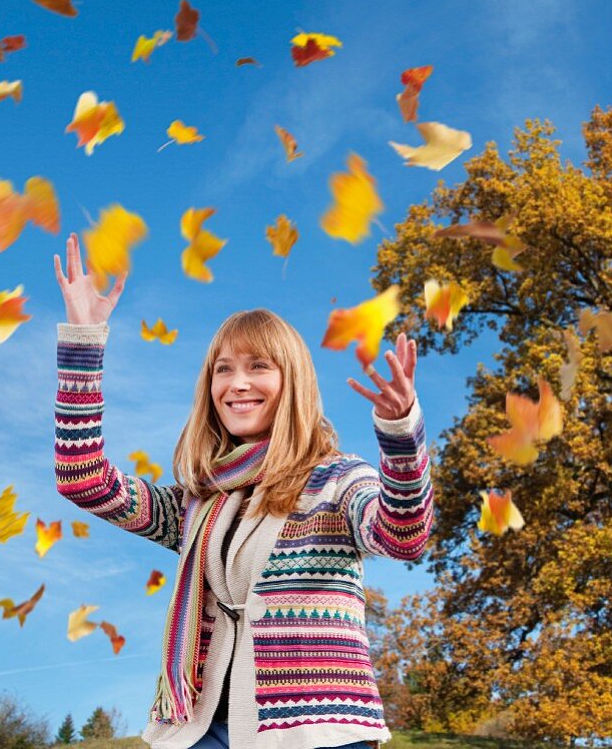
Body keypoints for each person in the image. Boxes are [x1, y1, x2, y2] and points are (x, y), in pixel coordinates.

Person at [53, 233, 433, 749]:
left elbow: (402, 537)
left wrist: (401, 438)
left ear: (291, 381)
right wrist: (83, 337)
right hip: (205, 724)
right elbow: (84, 477)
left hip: (317, 728)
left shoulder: (337, 479)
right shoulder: (199, 503)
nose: (237, 383)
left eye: (258, 366)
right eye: (223, 369)